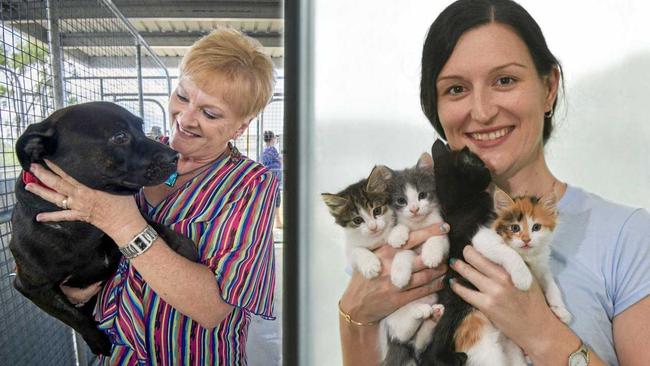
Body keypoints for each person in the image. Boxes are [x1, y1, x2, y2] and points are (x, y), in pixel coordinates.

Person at [339, 0, 650, 365]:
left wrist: (540, 331)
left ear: (549, 88)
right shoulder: (403, 238)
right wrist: (353, 316)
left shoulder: (627, 238)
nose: (483, 111)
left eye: (505, 80)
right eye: (456, 89)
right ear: (434, 107)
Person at [26, 28, 278, 365]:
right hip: (115, 353)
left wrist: (120, 221)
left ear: (239, 128)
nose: (185, 119)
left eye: (210, 113)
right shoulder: (141, 158)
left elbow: (213, 309)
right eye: (183, 96)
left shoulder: (251, 184)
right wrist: (69, 289)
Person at [262, 130, 283, 228]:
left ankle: (277, 222)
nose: (275, 140)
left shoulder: (266, 149)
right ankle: (276, 223)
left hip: (271, 180)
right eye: (274, 138)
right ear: (271, 139)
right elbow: (277, 161)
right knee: (276, 201)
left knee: (275, 201)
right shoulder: (271, 150)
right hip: (273, 180)